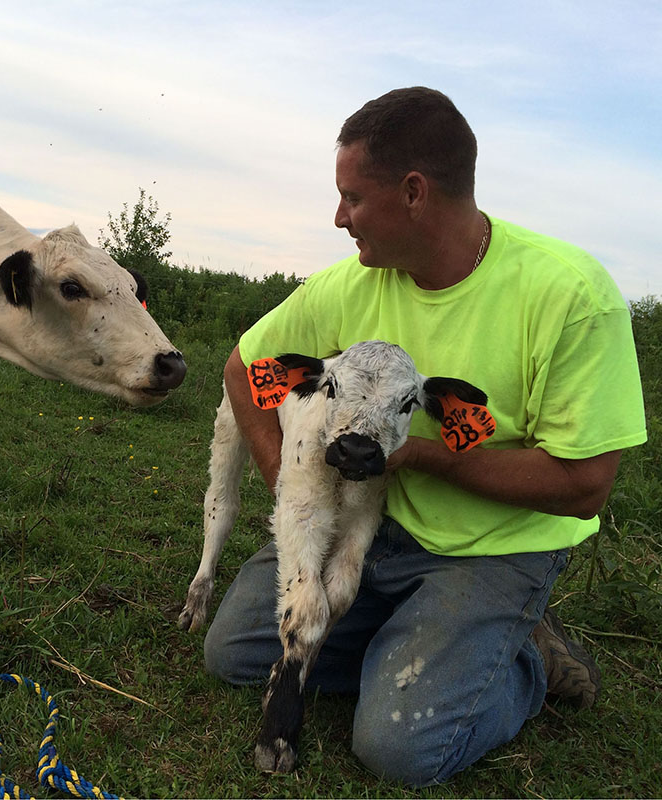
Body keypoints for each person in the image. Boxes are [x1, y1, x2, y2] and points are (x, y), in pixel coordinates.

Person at [202, 87, 647, 787]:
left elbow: (586, 486)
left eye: (351, 196)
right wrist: (291, 493)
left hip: (493, 550)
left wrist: (416, 457)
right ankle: (416, 643)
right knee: (232, 655)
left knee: (399, 747)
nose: (339, 217)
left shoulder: (570, 296)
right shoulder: (348, 285)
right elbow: (243, 370)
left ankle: (521, 656)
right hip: (370, 527)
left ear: (413, 192)